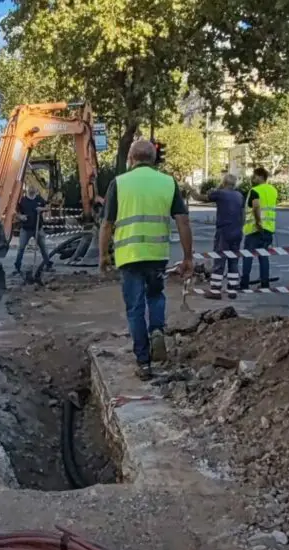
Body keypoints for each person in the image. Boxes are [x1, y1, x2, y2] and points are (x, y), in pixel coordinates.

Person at [99, 140, 194, 381]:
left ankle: (143, 362)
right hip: (156, 255)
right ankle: (158, 330)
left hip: (129, 257)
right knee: (155, 296)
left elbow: (107, 224)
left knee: (135, 308)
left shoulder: (119, 183)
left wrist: (103, 255)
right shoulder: (168, 182)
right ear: (153, 159)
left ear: (131, 158)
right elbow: (182, 221)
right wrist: (188, 257)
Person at [187, 174, 244, 299]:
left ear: (223, 182)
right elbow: (242, 214)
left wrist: (190, 188)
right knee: (233, 260)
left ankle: (215, 290)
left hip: (224, 231)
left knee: (219, 259)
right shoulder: (239, 195)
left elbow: (199, 197)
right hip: (237, 231)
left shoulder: (220, 193)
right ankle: (232, 289)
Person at [240, 167, 278, 290]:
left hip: (255, 229)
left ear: (261, 177)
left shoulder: (255, 191)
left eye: (255, 176)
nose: (253, 178)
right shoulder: (273, 190)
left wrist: (258, 222)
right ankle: (265, 283)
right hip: (269, 229)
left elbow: (256, 207)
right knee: (263, 256)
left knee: (248, 256)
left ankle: (244, 284)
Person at [13, 185, 52, 275]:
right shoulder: (22, 200)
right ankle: (17, 267)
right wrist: (21, 217)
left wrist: (41, 209)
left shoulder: (39, 199)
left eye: (33, 188)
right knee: (21, 248)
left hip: (38, 228)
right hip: (25, 229)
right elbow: (16, 213)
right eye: (30, 188)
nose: (32, 189)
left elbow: (48, 207)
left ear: (36, 190)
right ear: (27, 190)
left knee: (43, 247)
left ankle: (48, 265)